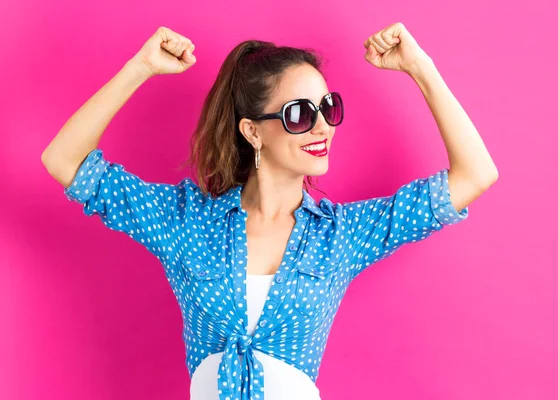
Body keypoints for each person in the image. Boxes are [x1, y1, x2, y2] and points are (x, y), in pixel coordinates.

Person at [42, 23, 497, 400]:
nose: (321, 126)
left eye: (328, 107)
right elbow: (63, 160)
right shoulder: (184, 221)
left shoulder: (343, 235)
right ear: (253, 132)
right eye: (300, 113)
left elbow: (475, 175)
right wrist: (140, 67)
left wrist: (420, 68)